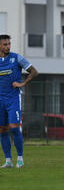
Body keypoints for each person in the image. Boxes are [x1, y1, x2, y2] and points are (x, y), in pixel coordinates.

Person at [0, 34, 38, 168]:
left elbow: (34, 71)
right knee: (2, 130)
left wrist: (23, 83)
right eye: (5, 44)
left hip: (13, 98)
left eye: (9, 44)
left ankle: (20, 159)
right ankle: (8, 161)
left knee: (14, 128)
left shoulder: (17, 58)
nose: (8, 46)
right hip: (0, 100)